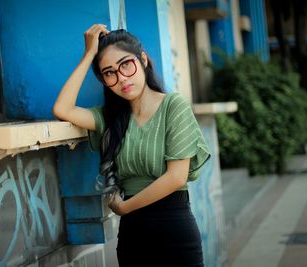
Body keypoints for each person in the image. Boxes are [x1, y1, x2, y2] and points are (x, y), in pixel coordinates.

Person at [53, 24, 211, 266]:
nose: (121, 78)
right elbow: (62, 109)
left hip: (174, 231)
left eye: (126, 64)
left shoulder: (173, 106)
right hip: (132, 238)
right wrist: (89, 55)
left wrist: (125, 208)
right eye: (109, 73)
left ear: (143, 60)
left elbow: (177, 177)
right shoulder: (110, 118)